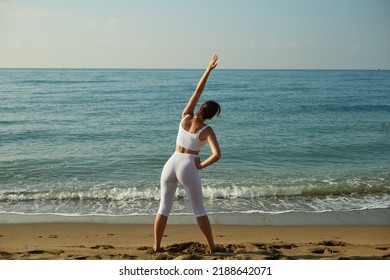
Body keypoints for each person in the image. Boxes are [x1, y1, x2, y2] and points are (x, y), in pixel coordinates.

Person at [154, 54, 221, 254]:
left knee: (163, 208)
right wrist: (201, 165)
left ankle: (156, 247)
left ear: (200, 108)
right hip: (188, 165)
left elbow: (197, 90)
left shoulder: (185, 116)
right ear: (211, 116)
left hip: (171, 162)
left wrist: (208, 69)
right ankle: (211, 247)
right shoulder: (207, 130)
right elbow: (217, 155)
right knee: (199, 210)